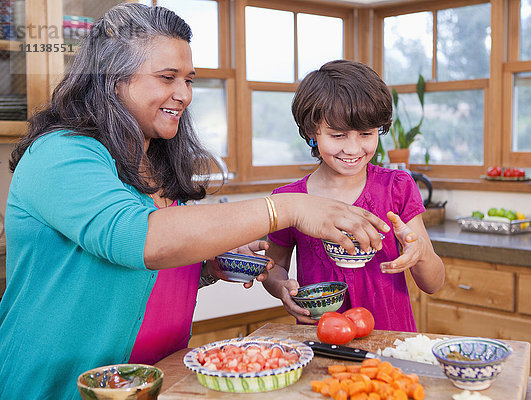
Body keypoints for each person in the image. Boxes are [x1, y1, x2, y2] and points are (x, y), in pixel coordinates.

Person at [0, 6, 390, 400]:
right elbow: (140, 239)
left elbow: (148, 271)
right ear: (111, 79)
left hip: (156, 382)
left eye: (188, 80)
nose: (184, 94)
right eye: (167, 78)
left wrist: (208, 265)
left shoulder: (155, 165)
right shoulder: (60, 153)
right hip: (56, 388)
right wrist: (288, 208)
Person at [263, 60, 444, 331]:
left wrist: (421, 255)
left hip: (391, 341)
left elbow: (434, 283)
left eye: (366, 134)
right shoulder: (289, 200)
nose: (353, 148)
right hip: (322, 339)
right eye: (337, 135)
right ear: (313, 132)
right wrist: (281, 288)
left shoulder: (397, 187)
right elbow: (275, 267)